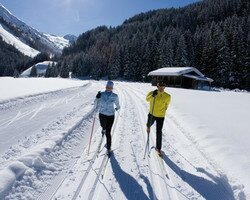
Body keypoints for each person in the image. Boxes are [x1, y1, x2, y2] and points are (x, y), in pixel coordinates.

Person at [146, 81, 171, 156]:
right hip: (152, 114)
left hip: (161, 116)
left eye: (163, 86)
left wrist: (163, 110)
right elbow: (147, 99)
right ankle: (148, 126)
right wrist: (152, 96)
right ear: (157, 86)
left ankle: (158, 148)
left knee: (159, 132)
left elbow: (167, 105)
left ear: (164, 87)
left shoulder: (167, 96)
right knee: (149, 124)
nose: (161, 88)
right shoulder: (152, 93)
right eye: (160, 86)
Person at [96, 81, 120, 156]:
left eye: (110, 87)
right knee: (104, 127)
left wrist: (117, 108)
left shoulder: (115, 96)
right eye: (107, 87)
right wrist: (97, 97)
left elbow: (118, 105)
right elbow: (95, 102)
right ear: (105, 87)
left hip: (110, 115)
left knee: (108, 132)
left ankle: (109, 147)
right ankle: (103, 129)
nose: (108, 89)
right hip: (102, 114)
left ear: (112, 88)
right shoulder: (101, 94)